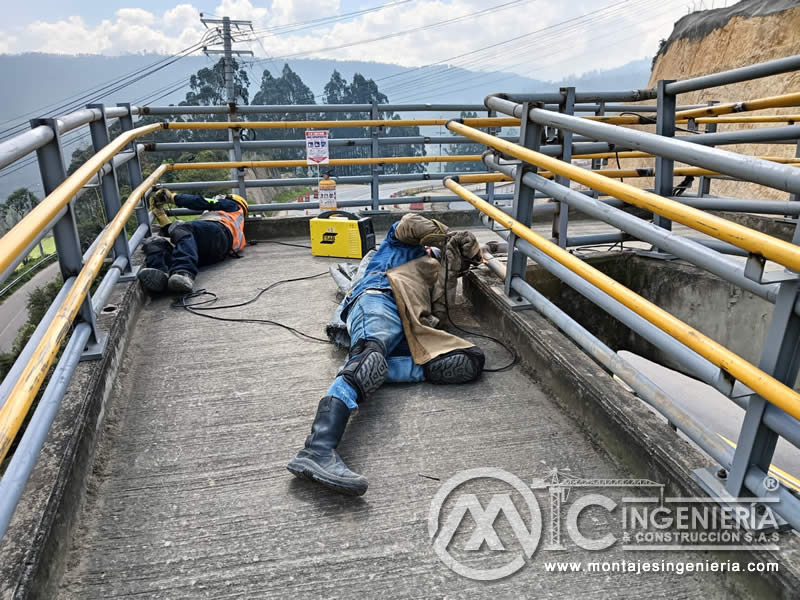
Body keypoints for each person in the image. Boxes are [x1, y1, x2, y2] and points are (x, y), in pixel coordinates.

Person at [287, 214, 485, 496]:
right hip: (379, 300)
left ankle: (371, 373)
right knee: (370, 354)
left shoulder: (437, 273)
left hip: (413, 327)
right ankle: (317, 449)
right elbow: (409, 224)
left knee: (471, 360)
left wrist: (467, 256)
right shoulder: (395, 247)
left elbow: (449, 295)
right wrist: (445, 234)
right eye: (435, 250)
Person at [137, 188, 248, 295]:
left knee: (182, 227)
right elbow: (179, 236)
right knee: (155, 242)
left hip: (219, 233)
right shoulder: (236, 226)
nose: (219, 198)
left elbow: (202, 202)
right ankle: (161, 274)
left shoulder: (233, 205)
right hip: (212, 252)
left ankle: (184, 272)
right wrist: (161, 216)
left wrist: (172, 197)